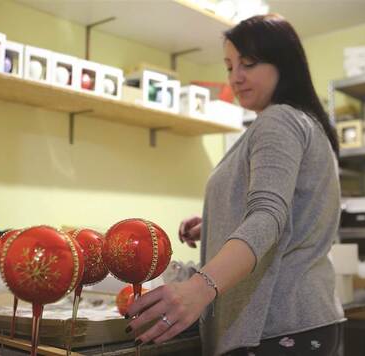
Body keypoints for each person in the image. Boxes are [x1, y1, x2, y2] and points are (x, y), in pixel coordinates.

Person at [125, 14, 344, 356]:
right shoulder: (305, 122)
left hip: (275, 327)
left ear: (283, 62)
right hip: (306, 322)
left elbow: (268, 218)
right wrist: (219, 221)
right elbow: (293, 214)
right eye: (229, 66)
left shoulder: (278, 121)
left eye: (249, 63)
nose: (235, 78)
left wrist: (200, 288)